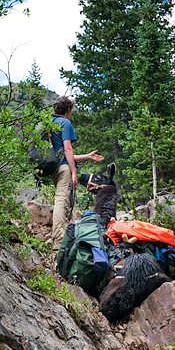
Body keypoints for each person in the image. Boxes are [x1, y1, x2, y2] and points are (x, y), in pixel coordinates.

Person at [50, 96, 104, 250]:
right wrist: (74, 172)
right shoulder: (64, 122)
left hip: (53, 168)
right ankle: (59, 240)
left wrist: (87, 156)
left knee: (68, 201)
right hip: (64, 168)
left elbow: (63, 152)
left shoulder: (50, 123)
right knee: (62, 200)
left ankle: (70, 235)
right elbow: (68, 149)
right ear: (68, 110)